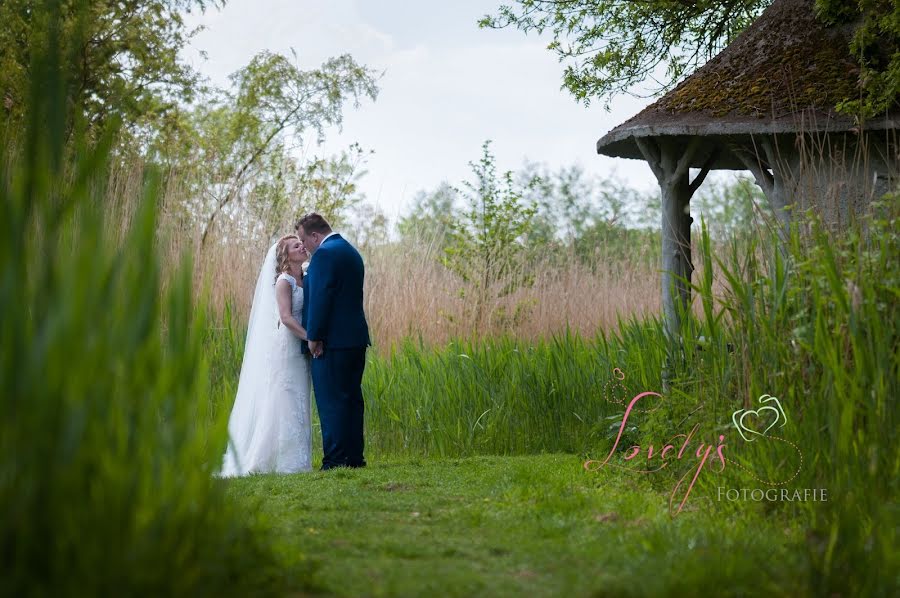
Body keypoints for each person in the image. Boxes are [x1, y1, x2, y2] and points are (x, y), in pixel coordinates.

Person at [219, 234, 313, 476]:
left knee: (299, 396)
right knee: (282, 397)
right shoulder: (284, 281)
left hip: (301, 349)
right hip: (287, 347)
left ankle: (299, 457)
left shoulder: (305, 276)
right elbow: (286, 318)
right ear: (285, 255)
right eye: (296, 246)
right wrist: (310, 338)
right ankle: (274, 459)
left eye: (301, 243)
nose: (302, 246)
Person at [295, 213, 370, 470]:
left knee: (331, 402)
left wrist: (314, 336)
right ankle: (354, 458)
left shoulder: (325, 254)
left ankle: (335, 460)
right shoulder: (350, 251)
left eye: (304, 241)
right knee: (350, 399)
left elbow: (321, 298)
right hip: (355, 339)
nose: (304, 247)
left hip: (333, 342)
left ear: (315, 236)